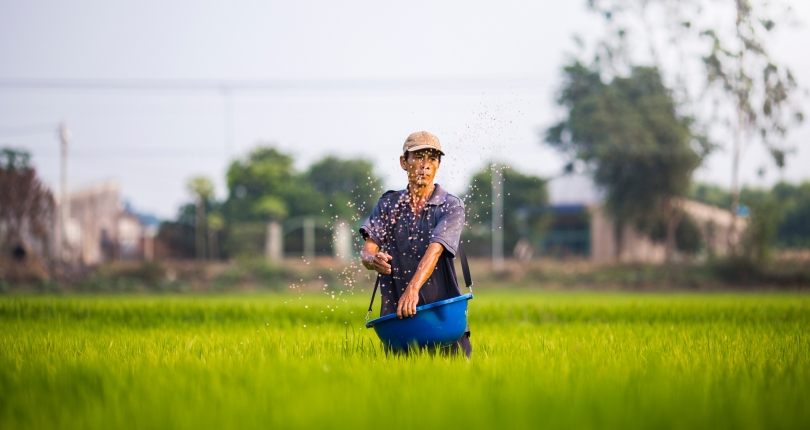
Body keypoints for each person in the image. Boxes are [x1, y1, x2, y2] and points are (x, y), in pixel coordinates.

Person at [359, 131, 471, 357]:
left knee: (459, 386)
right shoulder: (389, 204)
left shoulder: (450, 206)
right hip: (399, 319)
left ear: (439, 165)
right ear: (404, 162)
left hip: (444, 316)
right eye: (418, 157)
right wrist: (373, 260)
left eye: (432, 159)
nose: (425, 165)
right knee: (403, 388)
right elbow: (367, 251)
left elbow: (435, 250)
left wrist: (412, 289)